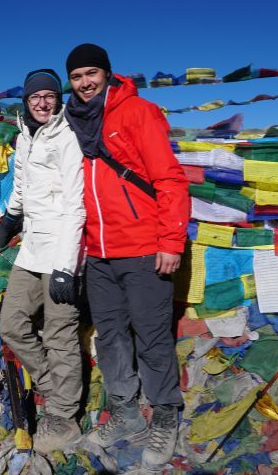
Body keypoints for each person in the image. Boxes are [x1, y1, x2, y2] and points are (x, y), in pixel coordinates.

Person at [63, 43, 189, 472]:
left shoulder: (138, 112)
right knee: (111, 336)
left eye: (91, 73)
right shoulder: (72, 123)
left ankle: (165, 415)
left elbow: (169, 177)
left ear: (107, 73)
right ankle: (126, 413)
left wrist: (171, 241)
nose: (84, 83)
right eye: (77, 76)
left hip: (142, 248)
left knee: (152, 337)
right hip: (97, 252)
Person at [0, 69, 86, 454]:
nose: (43, 103)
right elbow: (21, 184)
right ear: (27, 102)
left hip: (62, 250)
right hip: (32, 247)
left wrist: (66, 267)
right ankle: (54, 390)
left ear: (58, 99)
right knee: (11, 324)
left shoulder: (68, 136)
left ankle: (64, 419)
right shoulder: (25, 136)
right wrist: (10, 216)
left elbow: (76, 204)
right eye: (36, 97)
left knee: (61, 335)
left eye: (50, 96)